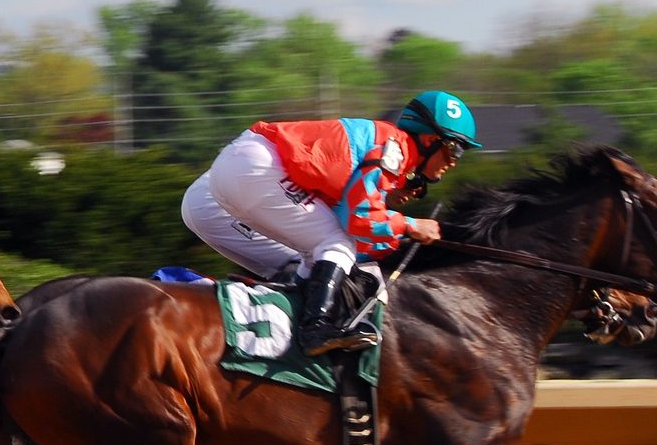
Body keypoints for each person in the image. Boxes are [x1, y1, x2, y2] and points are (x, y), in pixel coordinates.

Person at [179, 90, 481, 355]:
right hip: (251, 168)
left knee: (318, 252)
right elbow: (360, 220)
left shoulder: (386, 145)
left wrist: (396, 224)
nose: (455, 160)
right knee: (336, 243)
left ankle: (292, 323)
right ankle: (315, 329)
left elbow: (358, 221)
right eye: (454, 148)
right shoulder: (395, 148)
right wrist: (411, 225)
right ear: (429, 140)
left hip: (232, 170)